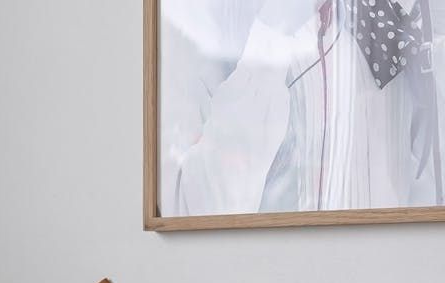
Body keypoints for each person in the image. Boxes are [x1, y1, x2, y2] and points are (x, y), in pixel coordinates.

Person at [159, 0, 445, 216]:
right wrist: (270, 39)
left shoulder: (403, 21)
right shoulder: (197, 23)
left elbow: (425, 194)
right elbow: (189, 217)